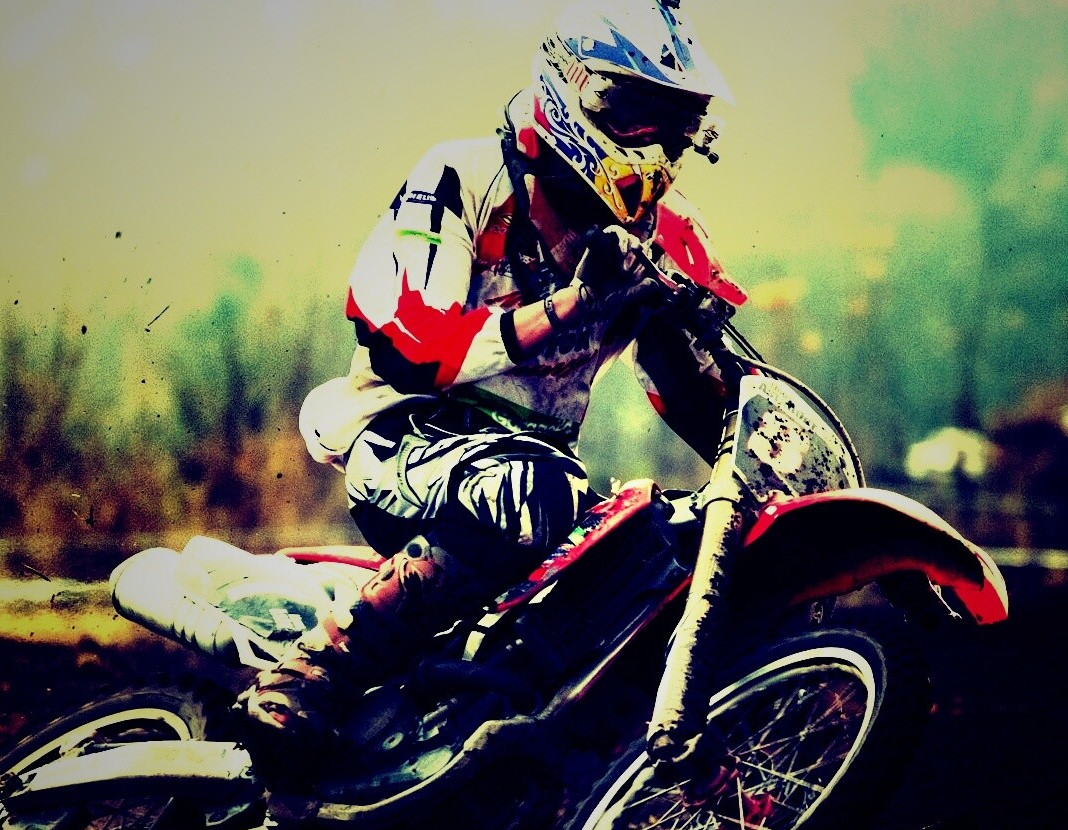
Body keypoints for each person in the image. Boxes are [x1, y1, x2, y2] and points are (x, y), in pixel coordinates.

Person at [240, 0, 753, 755]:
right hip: (404, 438)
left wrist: (772, 467)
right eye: (636, 113)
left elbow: (705, 397)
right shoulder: (461, 176)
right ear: (572, 89)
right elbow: (409, 346)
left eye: (673, 125)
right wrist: (572, 304)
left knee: (659, 538)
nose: (654, 144)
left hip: (538, 468)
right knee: (534, 490)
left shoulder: (667, 232)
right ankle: (313, 671)